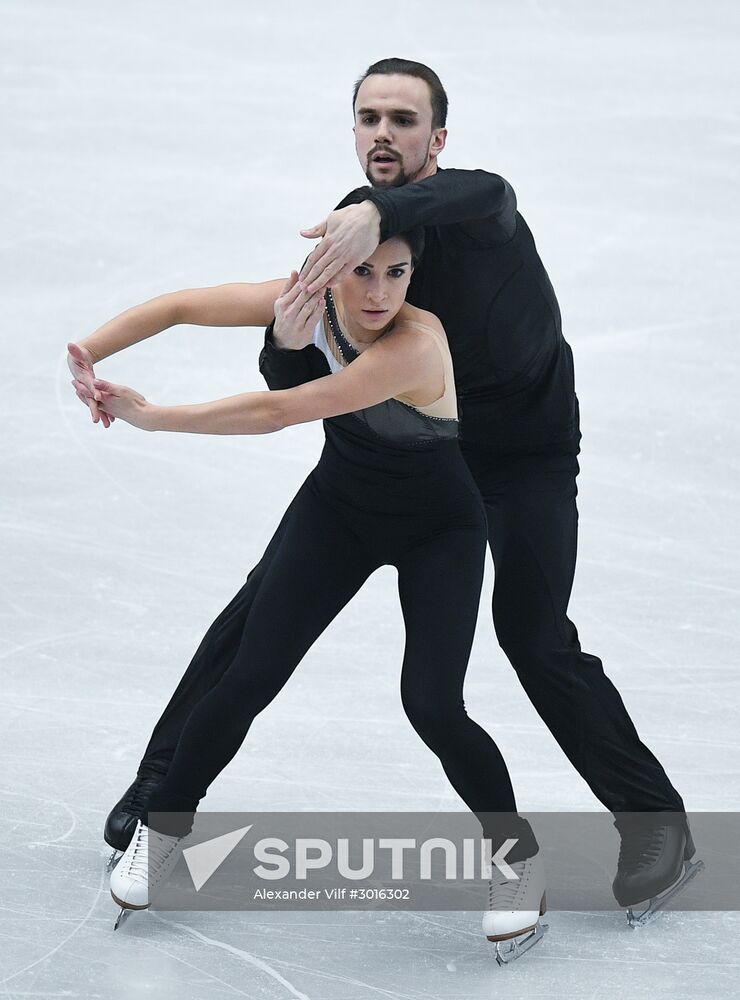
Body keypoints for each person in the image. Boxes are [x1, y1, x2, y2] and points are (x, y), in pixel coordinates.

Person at [69, 57, 697, 927]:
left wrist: (375, 218)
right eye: (368, 118)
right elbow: (294, 366)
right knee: (259, 618)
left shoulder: (473, 211)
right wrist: (278, 332)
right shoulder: (358, 244)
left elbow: (483, 195)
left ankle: (655, 824)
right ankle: (159, 791)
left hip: (520, 454)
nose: (383, 135)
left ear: (437, 138)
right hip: (400, 456)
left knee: (532, 633)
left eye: (404, 120)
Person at [71, 210, 547, 957]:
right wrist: (89, 354)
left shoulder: (416, 344)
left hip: (439, 530)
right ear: (333, 264)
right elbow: (182, 306)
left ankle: (516, 864)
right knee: (245, 678)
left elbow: (279, 408)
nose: (379, 292)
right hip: (339, 510)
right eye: (364, 270)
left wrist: (152, 418)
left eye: (397, 273)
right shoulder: (302, 299)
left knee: (432, 704)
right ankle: (164, 834)